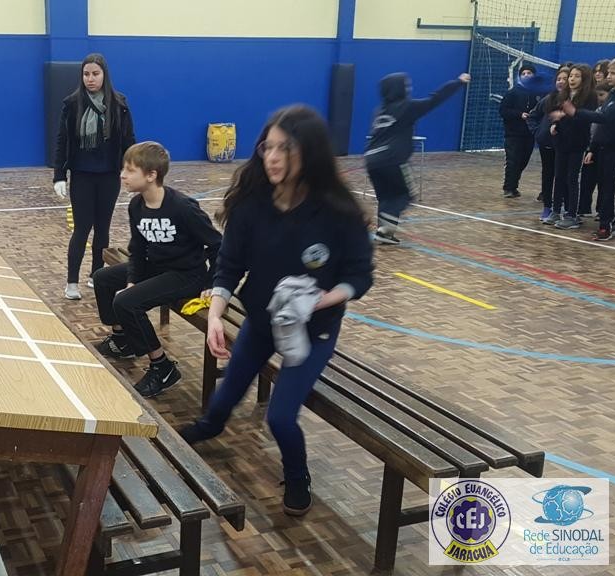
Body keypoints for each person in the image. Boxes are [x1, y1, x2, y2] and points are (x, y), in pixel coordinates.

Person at [179, 106, 373, 516]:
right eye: (268, 146)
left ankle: (298, 476)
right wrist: (214, 315)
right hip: (262, 320)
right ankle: (210, 427)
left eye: (285, 148)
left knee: (281, 418)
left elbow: (359, 277)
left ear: (310, 152)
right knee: (224, 396)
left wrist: (321, 300)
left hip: (313, 330)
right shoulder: (251, 205)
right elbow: (229, 266)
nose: (272, 156)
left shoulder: (338, 212)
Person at [92, 141, 221, 398]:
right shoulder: (136, 206)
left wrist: (212, 283)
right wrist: (132, 280)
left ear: (151, 175)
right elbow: (138, 249)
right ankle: (122, 340)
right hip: (157, 267)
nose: (122, 175)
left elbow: (219, 245)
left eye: (130, 170)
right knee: (103, 278)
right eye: (123, 169)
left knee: (127, 303)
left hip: (187, 275)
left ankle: (162, 367)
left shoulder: (183, 207)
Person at [53, 53, 135, 300]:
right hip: (82, 176)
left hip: (109, 175)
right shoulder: (72, 104)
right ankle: (72, 282)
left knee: (103, 228)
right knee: (82, 228)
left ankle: (96, 275)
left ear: (104, 75)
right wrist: (59, 175)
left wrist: (132, 171)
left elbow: (129, 141)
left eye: (95, 74)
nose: (90, 79)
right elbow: (62, 142)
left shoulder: (119, 104)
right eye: (86, 74)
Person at [364, 72, 471, 244]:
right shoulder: (408, 107)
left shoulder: (379, 111)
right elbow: (434, 99)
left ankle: (384, 233)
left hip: (371, 160)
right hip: (393, 158)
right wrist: (458, 82)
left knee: (386, 196)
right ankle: (385, 231)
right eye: (406, 85)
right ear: (399, 89)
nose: (409, 88)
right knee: (403, 195)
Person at [559, 56, 615, 240]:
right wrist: (593, 148)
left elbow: (604, 118)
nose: (608, 76)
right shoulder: (613, 94)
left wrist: (576, 112)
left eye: (613, 73)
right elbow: (602, 124)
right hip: (606, 148)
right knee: (605, 186)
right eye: (609, 73)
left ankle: (610, 224)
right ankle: (606, 223)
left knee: (610, 187)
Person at [547, 64, 597, 230]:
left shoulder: (590, 97)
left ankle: (572, 214)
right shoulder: (564, 94)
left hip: (577, 143)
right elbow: (558, 114)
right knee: (559, 176)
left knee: (572, 178)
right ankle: (555, 211)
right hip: (562, 141)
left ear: (584, 79)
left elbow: (584, 119)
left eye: (576, 76)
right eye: (571, 76)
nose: (572, 79)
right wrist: (555, 123)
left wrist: (568, 114)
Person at [531, 66, 572, 220]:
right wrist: (538, 132)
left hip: (566, 145)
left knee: (565, 176)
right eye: (558, 79)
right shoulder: (548, 99)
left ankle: (567, 208)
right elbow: (532, 116)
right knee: (548, 174)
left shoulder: (575, 101)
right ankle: (547, 206)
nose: (561, 82)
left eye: (565, 79)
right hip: (547, 144)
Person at [500, 63, 541, 198]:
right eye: (523, 73)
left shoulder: (537, 94)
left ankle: (514, 185)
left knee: (523, 160)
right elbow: (503, 111)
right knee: (513, 160)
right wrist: (519, 114)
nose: (526, 75)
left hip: (529, 133)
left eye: (529, 73)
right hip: (513, 133)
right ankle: (509, 187)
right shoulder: (512, 93)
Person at [576, 83, 612, 218]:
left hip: (605, 149)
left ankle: (601, 210)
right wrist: (590, 149)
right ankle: (583, 208)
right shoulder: (597, 109)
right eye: (597, 95)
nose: (599, 98)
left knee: (604, 182)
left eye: (602, 95)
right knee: (587, 180)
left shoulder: (610, 111)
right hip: (591, 148)